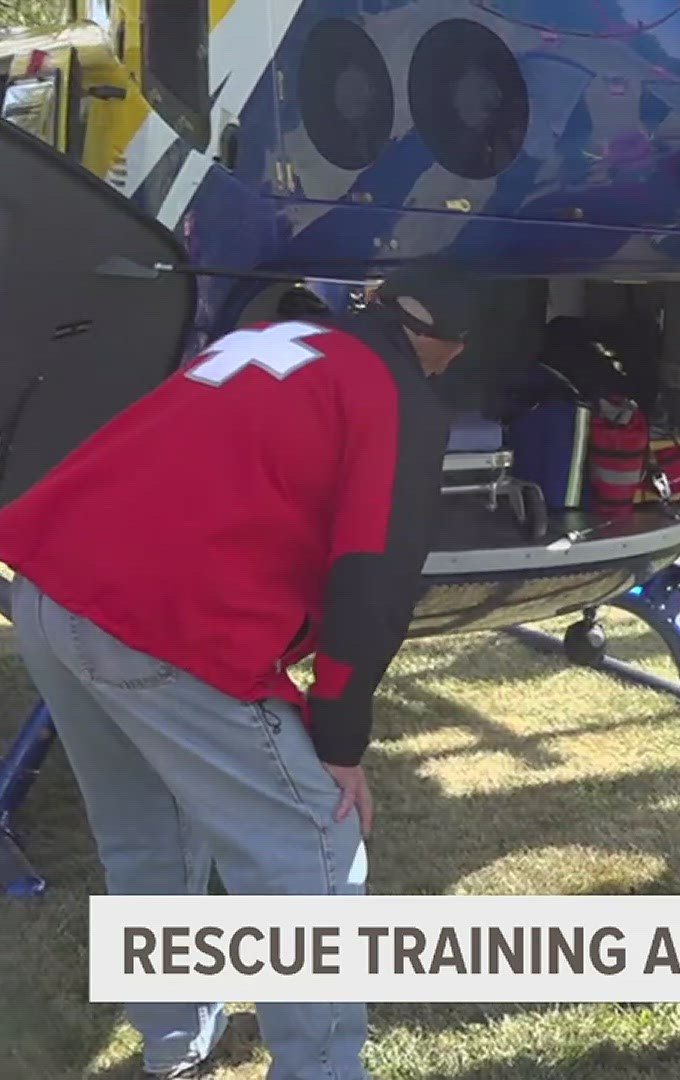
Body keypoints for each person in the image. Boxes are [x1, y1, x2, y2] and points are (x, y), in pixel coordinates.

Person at [0, 264, 475, 1079]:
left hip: (51, 591)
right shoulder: (395, 393)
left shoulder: (266, 337)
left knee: (143, 838)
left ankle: (174, 1047)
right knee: (313, 852)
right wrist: (340, 743)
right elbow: (375, 579)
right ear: (447, 344)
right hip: (160, 623)